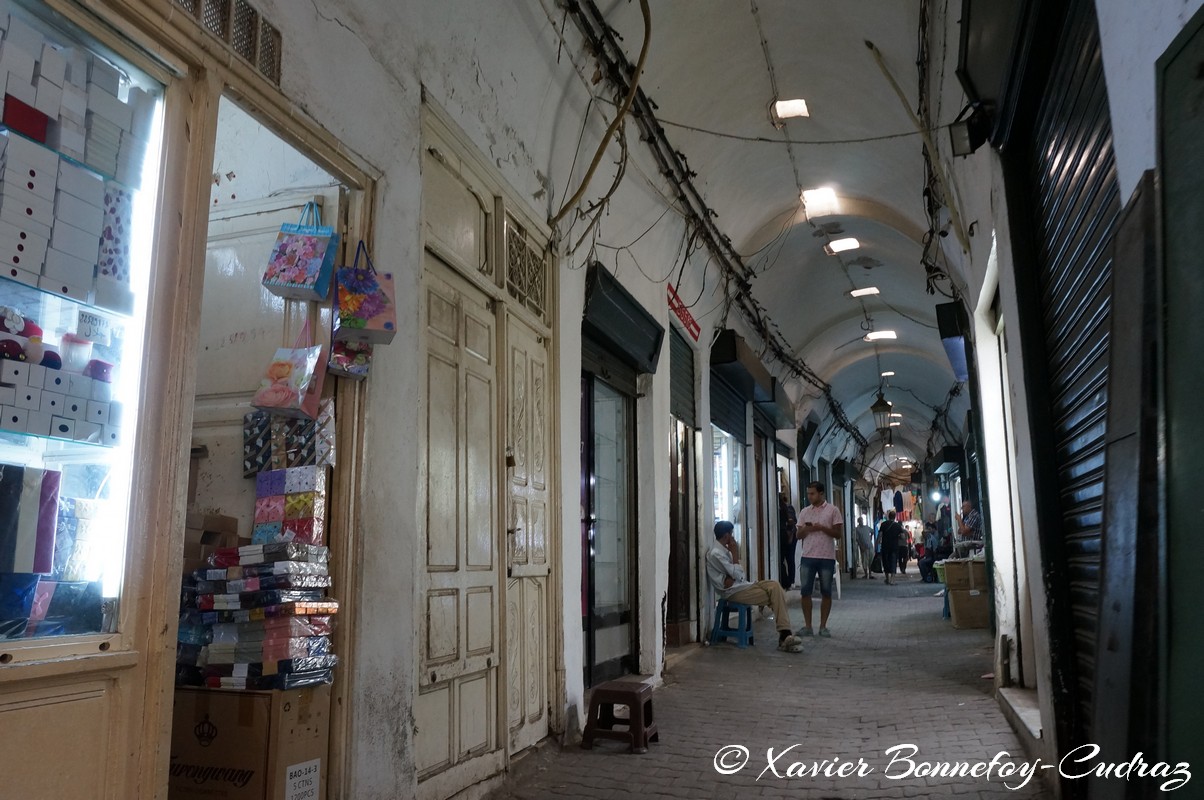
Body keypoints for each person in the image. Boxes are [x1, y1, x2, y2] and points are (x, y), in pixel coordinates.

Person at [706, 520, 804, 653]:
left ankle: (785, 636)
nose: (733, 537)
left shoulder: (723, 551)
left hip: (741, 586)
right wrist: (735, 554)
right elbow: (738, 574)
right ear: (726, 536)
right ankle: (785, 635)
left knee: (774, 586)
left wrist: (732, 575)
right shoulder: (716, 553)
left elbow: (737, 575)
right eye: (732, 534)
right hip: (732, 592)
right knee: (776, 595)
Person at [794, 481, 843, 637]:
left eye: (812, 493)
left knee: (826, 592)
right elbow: (798, 535)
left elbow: (838, 534)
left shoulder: (833, 511)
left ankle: (823, 626)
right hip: (808, 556)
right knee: (805, 592)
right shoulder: (804, 512)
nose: (809, 496)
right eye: (808, 493)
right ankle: (808, 626)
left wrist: (822, 528)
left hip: (826, 557)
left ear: (821, 493)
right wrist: (807, 529)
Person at [878, 510, 903, 585]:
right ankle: (892, 580)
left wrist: (878, 543)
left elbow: (880, 535)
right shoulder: (897, 526)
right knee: (893, 562)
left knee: (886, 562)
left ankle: (887, 579)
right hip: (894, 547)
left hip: (885, 546)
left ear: (888, 517)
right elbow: (902, 536)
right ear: (895, 517)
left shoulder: (883, 524)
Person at [778, 493, 798, 589]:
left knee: (789, 558)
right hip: (786, 535)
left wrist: (790, 536)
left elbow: (791, 522)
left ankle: (790, 581)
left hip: (789, 535)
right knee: (788, 559)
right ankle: (788, 581)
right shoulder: (784, 507)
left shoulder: (787, 508)